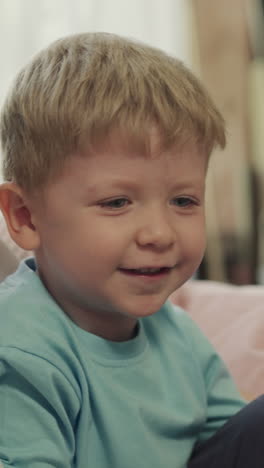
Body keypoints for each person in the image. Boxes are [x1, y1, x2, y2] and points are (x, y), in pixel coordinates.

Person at [0, 32, 262, 468]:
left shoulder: (179, 334)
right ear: (26, 217)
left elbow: (239, 442)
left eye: (183, 201)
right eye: (116, 203)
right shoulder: (20, 351)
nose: (159, 233)